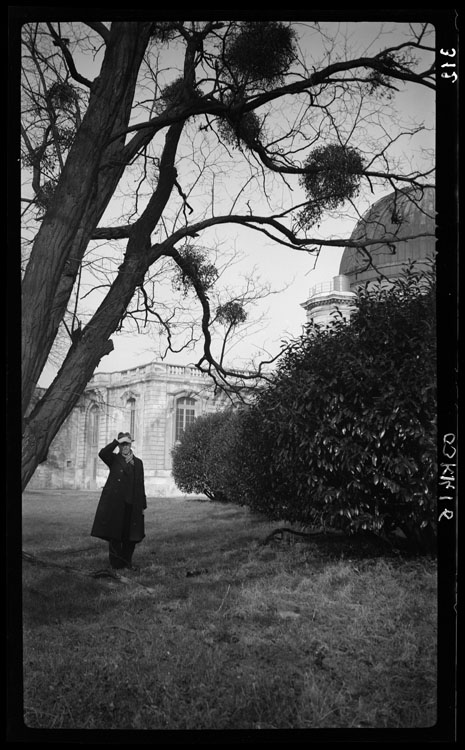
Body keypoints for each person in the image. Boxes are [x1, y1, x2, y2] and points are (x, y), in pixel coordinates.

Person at [91, 432, 147, 570]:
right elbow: (102, 453)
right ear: (119, 446)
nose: (125, 447)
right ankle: (116, 564)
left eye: (127, 444)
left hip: (133, 504)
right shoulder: (114, 459)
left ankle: (127, 562)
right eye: (122, 444)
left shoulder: (138, 463)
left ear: (131, 444)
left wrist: (142, 504)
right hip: (116, 504)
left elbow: (141, 483)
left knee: (131, 536)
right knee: (115, 536)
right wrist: (116, 441)